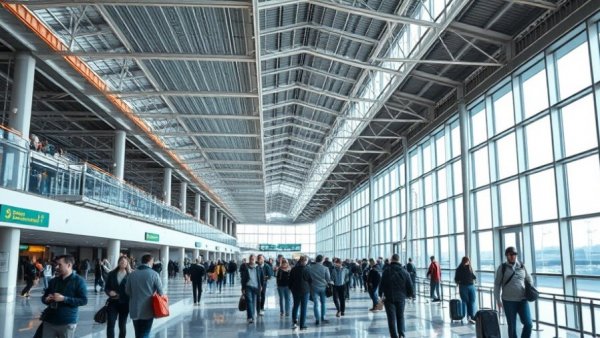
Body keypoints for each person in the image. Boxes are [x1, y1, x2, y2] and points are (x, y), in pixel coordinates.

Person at [41, 255, 88, 338]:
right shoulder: (53, 281)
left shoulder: (79, 281)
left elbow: (83, 300)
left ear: (69, 265)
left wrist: (64, 299)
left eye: (60, 265)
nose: (57, 267)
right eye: (56, 264)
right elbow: (44, 298)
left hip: (67, 321)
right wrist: (46, 299)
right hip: (49, 320)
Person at [494, 247, 533, 338]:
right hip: (508, 301)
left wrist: (529, 288)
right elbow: (497, 285)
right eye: (511, 254)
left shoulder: (522, 266)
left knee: (528, 324)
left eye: (514, 254)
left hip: (522, 300)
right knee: (512, 326)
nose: (513, 256)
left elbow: (528, 278)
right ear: (506, 256)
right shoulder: (502, 268)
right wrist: (498, 300)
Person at [125, 254, 164, 338]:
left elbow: (127, 291)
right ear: (150, 261)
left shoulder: (132, 274)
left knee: (138, 333)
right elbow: (161, 292)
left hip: (134, 308)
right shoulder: (154, 274)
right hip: (148, 309)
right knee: (145, 333)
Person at [379, 254, 414, 338]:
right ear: (398, 260)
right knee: (400, 316)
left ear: (391, 259)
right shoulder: (405, 272)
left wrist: (380, 294)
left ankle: (394, 336)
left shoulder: (386, 271)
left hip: (389, 298)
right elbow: (410, 285)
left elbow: (382, 284)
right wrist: (409, 295)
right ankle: (401, 334)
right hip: (401, 298)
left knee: (391, 318)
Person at [105, 256, 132, 338]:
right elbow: (106, 287)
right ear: (118, 262)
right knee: (110, 324)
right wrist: (109, 292)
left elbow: (133, 289)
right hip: (113, 302)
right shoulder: (111, 274)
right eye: (121, 261)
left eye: (124, 262)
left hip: (125, 303)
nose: (122, 263)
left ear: (127, 263)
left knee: (122, 325)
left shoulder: (130, 275)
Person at [306, 254, 331, 325]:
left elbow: (308, 278)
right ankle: (323, 317)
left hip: (314, 287)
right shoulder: (325, 268)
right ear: (322, 260)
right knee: (323, 303)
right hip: (323, 287)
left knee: (316, 304)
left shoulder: (310, 268)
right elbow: (328, 279)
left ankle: (317, 319)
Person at [240, 254, 264, 324]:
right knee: (249, 301)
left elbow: (262, 277)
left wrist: (261, 285)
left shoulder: (258, 267)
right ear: (249, 259)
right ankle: (250, 317)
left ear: (255, 259)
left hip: (256, 287)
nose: (252, 259)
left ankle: (252, 316)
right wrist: (243, 288)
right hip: (248, 286)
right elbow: (243, 279)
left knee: (254, 302)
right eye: (251, 258)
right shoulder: (246, 267)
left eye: (253, 258)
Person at [289, 255, 311, 331]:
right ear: (304, 261)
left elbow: (290, 280)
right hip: (305, 291)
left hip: (295, 290)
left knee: (295, 306)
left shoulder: (294, 269)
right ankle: (302, 325)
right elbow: (310, 280)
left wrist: (291, 289)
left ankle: (294, 322)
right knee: (303, 308)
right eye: (306, 261)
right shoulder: (308, 269)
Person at [454, 256, 477, 323]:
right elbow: (456, 279)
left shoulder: (470, 268)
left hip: (470, 285)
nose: (468, 263)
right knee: (465, 301)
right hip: (464, 286)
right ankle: (464, 315)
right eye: (467, 261)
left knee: (472, 301)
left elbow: (473, 276)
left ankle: (471, 316)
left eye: (468, 262)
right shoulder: (459, 269)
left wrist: (474, 277)